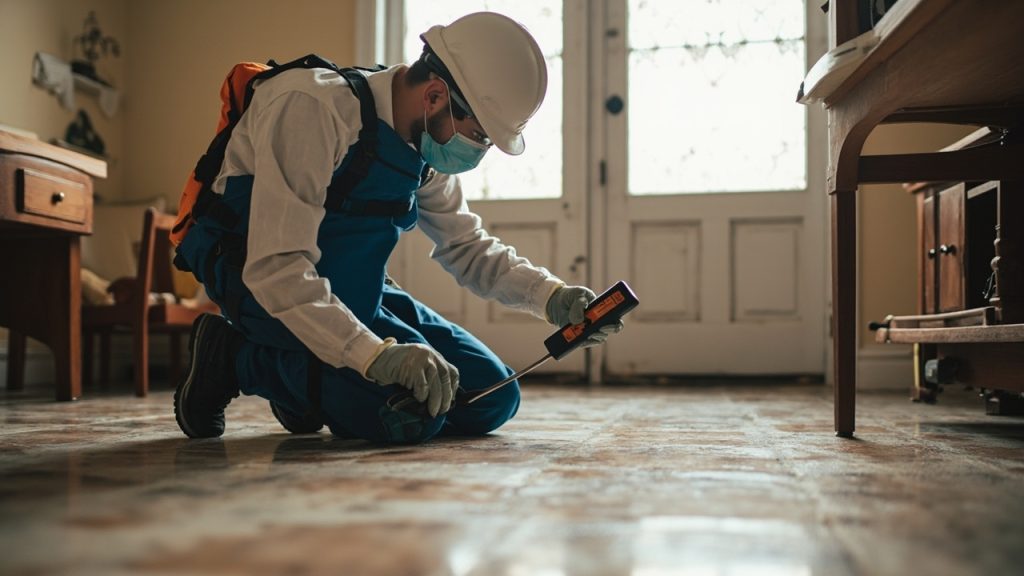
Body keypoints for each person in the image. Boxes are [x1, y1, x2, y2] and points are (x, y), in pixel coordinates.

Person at [172, 11, 622, 444]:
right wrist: (376, 356)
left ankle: (308, 382)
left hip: (351, 290)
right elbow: (277, 268)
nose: (479, 151)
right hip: (258, 282)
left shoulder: (427, 143)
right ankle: (235, 359)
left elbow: (466, 246)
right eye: (480, 135)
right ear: (435, 96)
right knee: (404, 418)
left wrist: (552, 298)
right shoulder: (312, 108)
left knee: (491, 399)